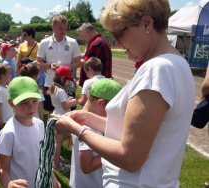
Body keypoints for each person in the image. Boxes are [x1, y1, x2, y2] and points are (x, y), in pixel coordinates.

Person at [53, 0, 196, 187]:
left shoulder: (157, 69)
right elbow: (134, 131)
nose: (117, 43)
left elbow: (130, 158)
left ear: (147, 24)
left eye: (119, 33)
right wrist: (87, 118)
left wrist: (77, 130)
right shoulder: (177, 64)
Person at [0, 76, 61, 188]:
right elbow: (3, 168)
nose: (31, 107)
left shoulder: (40, 124)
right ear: (11, 103)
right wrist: (8, 184)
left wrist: (52, 176)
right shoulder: (9, 133)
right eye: (24, 103)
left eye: (34, 101)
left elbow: (42, 156)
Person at [70, 78, 121, 188]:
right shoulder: (89, 127)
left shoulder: (83, 115)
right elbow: (87, 167)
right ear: (101, 103)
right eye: (114, 110)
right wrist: (112, 153)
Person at [36, 14, 82, 116]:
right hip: (50, 83)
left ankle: (68, 131)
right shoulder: (44, 43)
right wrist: (49, 66)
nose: (63, 31)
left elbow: (79, 62)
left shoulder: (72, 42)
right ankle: (52, 130)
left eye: (65, 28)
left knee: (69, 112)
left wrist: (65, 69)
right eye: (60, 28)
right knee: (51, 112)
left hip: (68, 83)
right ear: (53, 27)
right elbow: (39, 63)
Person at [47, 66, 77, 171]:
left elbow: (60, 103)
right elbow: (65, 106)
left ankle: (56, 158)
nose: (69, 82)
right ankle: (56, 165)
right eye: (68, 80)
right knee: (58, 142)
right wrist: (74, 101)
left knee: (57, 141)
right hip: (62, 118)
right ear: (62, 78)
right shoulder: (61, 91)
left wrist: (68, 100)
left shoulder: (54, 88)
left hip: (57, 115)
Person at [77, 23, 112, 87]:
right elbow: (87, 55)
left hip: (96, 84)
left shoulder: (95, 44)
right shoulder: (100, 40)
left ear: (87, 32)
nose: (83, 39)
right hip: (101, 81)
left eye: (82, 36)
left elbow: (86, 62)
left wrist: (69, 65)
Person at [0, 64, 14, 135]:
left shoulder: (7, 87)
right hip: (3, 121)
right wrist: (0, 121)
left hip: (8, 119)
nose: (11, 75)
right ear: (3, 76)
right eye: (9, 73)